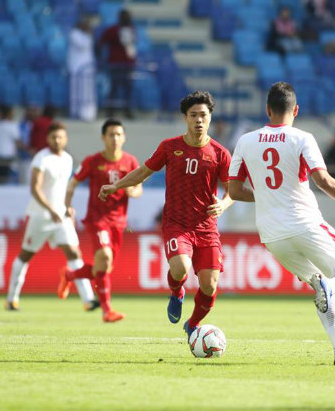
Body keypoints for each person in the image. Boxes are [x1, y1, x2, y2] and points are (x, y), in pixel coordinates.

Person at [228, 82, 335, 366]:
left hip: (272, 235)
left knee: (320, 287)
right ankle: (329, 289)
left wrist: (267, 197)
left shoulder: (245, 141)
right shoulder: (302, 138)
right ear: (296, 110)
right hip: (305, 225)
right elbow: (323, 181)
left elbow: (235, 190)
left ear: (267, 109)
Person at [96, 91, 233, 338]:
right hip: (176, 224)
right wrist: (116, 186)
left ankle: (192, 324)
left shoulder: (220, 153)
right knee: (180, 267)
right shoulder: (170, 147)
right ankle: (177, 291)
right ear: (185, 118)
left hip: (207, 227)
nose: (199, 120)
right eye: (193, 115)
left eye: (203, 115)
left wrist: (224, 204)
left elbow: (232, 190)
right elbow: (143, 172)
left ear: (210, 117)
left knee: (210, 285)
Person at [5, 123, 98, 312]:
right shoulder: (41, 158)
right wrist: (51, 210)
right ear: (47, 139)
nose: (57, 140)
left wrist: (68, 208)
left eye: (60, 137)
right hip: (41, 216)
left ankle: (88, 300)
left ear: (66, 139)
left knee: (74, 253)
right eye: (53, 137)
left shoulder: (68, 159)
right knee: (25, 255)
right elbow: (35, 189)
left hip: (61, 216)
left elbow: (64, 188)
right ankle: (11, 299)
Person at [59, 119, 142, 323]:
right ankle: (107, 310)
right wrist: (67, 205)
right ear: (103, 138)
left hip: (119, 223)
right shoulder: (93, 161)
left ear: (124, 137)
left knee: (102, 268)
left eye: (118, 134)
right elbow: (73, 183)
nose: (114, 138)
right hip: (97, 219)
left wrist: (133, 190)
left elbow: (138, 188)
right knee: (104, 258)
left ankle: (70, 276)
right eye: (110, 135)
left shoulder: (130, 162)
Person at [98, 9, 137, 118]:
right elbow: (101, 42)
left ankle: (127, 110)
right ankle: (110, 111)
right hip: (116, 64)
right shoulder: (113, 30)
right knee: (114, 88)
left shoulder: (131, 29)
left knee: (128, 88)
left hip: (128, 64)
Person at [68, 18, 97, 122]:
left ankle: (87, 113)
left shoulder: (87, 36)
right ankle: (75, 113)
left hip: (87, 70)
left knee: (87, 93)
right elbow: (83, 45)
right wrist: (89, 34)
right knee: (76, 93)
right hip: (76, 69)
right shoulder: (74, 34)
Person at [0, 104, 22, 184]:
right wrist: (29, 149)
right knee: (5, 185)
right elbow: (18, 143)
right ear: (9, 113)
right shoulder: (12, 126)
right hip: (8, 160)